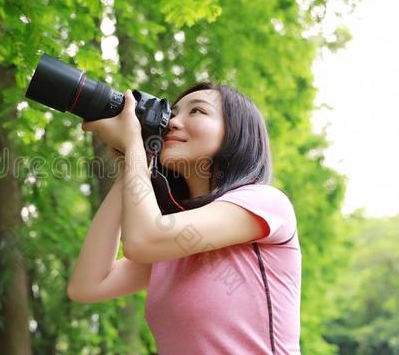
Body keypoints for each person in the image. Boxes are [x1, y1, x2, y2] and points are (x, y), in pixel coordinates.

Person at [67, 82, 301, 354]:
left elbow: (143, 241)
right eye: (173, 113)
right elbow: (87, 285)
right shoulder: (175, 243)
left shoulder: (265, 203)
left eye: (197, 111)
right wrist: (131, 162)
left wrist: (132, 146)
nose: (174, 122)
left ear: (237, 134)